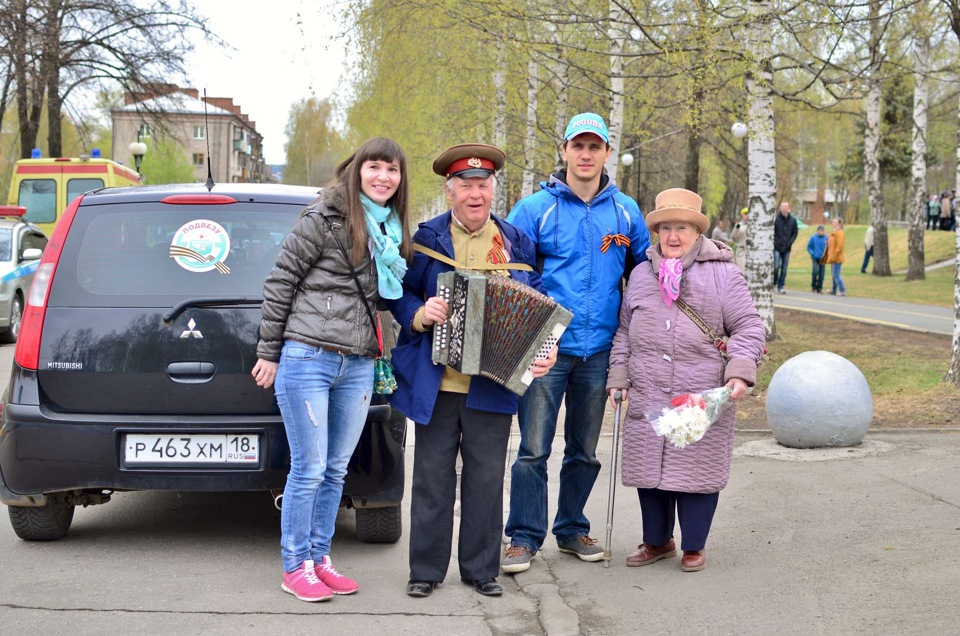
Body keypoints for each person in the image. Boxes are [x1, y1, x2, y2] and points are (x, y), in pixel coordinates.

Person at [385, 143, 557, 599]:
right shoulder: (426, 240)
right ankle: (424, 570)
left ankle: (482, 570)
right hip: (436, 384)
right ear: (450, 191)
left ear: (492, 190)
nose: (475, 194)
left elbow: (537, 299)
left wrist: (546, 347)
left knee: (485, 480)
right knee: (431, 479)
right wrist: (421, 313)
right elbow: (397, 295)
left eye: (483, 185)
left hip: (492, 385)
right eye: (466, 185)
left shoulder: (515, 240)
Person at [252, 137, 413, 602]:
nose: (383, 176)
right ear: (357, 169)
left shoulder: (391, 228)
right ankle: (295, 565)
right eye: (375, 167)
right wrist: (269, 351)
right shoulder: (323, 217)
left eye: (393, 170)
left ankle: (320, 559)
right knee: (309, 468)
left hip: (359, 363)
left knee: (337, 469)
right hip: (309, 357)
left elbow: (387, 298)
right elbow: (280, 281)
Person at [501, 113, 651, 573]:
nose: (586, 155)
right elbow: (509, 273)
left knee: (584, 450)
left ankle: (571, 530)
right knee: (533, 449)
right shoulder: (533, 209)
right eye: (578, 146)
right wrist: (535, 328)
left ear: (607, 152)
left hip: (598, 351)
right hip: (545, 350)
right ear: (564, 150)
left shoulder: (625, 210)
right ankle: (523, 537)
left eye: (595, 147)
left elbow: (645, 275)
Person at [606, 187, 766, 573]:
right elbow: (625, 331)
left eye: (682, 227)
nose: (672, 236)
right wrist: (619, 375)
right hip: (648, 389)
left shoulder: (723, 273)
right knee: (650, 472)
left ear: (697, 232)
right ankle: (657, 542)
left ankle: (695, 544)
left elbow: (748, 326)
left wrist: (740, 372)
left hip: (699, 393)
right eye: (665, 228)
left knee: (695, 471)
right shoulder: (642, 274)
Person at [773, 200, 798, 294]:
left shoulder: (793, 220)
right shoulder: (776, 219)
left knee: (784, 268)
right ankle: (774, 283)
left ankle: (781, 286)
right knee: (776, 266)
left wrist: (790, 242)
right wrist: (775, 242)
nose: (784, 208)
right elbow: (773, 232)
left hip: (787, 248)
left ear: (788, 208)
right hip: (777, 247)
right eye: (783, 206)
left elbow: (795, 233)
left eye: (786, 206)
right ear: (780, 208)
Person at [825, 217, 846, 296]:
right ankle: (834, 290)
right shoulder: (834, 232)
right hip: (832, 256)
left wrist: (835, 255)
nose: (833, 223)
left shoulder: (840, 233)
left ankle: (842, 290)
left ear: (839, 223)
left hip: (837, 257)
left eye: (835, 222)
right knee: (833, 274)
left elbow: (839, 246)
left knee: (836, 275)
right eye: (833, 221)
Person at [807, 224, 827, 293]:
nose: (821, 232)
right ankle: (813, 285)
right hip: (815, 257)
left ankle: (819, 288)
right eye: (820, 230)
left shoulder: (826, 238)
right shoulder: (813, 238)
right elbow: (809, 247)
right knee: (815, 271)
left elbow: (828, 247)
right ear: (818, 231)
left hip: (823, 258)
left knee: (822, 274)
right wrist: (813, 253)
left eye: (823, 231)